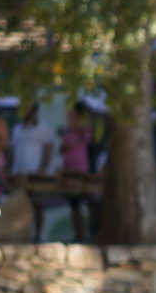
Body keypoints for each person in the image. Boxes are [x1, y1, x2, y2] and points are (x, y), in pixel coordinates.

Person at [59, 101, 100, 240]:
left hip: (81, 169)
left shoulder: (83, 127)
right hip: (68, 169)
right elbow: (62, 148)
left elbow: (84, 131)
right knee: (74, 204)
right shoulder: (69, 129)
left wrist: (71, 124)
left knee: (87, 202)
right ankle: (79, 235)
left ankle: (91, 233)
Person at [10, 100, 58, 179]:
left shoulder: (44, 128)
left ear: (34, 110)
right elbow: (12, 150)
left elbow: (48, 151)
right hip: (17, 173)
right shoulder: (17, 128)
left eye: (28, 108)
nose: (25, 111)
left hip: (35, 174)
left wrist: (42, 170)